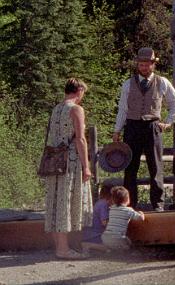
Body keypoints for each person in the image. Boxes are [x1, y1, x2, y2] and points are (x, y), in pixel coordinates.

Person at [113, 47, 175, 211]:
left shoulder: (162, 82)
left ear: (153, 65)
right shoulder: (128, 84)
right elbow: (123, 109)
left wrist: (168, 122)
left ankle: (158, 204)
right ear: (137, 65)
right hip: (132, 127)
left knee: (155, 166)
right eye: (141, 65)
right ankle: (129, 204)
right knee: (130, 167)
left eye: (147, 65)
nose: (144, 68)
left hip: (152, 126)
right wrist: (117, 130)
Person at [43, 78, 93, 260]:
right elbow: (80, 139)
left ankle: (60, 247)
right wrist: (86, 166)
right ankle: (63, 250)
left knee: (56, 201)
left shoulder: (56, 109)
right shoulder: (76, 109)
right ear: (79, 90)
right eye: (83, 92)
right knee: (65, 201)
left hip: (54, 159)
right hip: (70, 160)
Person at [100, 186, 144, 250]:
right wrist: (141, 213)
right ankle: (122, 251)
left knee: (117, 243)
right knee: (128, 243)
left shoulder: (111, 209)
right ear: (127, 199)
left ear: (113, 200)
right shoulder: (128, 210)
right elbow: (141, 218)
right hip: (118, 238)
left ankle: (111, 250)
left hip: (105, 238)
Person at [80, 181, 114, 254]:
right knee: (112, 246)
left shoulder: (99, 202)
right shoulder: (104, 204)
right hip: (96, 234)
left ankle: (92, 246)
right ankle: (89, 245)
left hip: (90, 233)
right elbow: (104, 223)